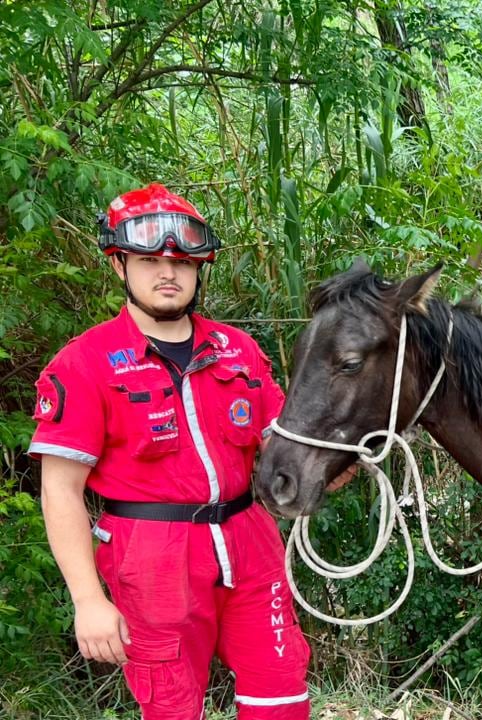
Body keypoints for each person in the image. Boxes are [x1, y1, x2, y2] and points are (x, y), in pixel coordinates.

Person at [29, 184, 310, 718]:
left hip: (251, 547)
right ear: (120, 266)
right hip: (152, 559)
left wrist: (346, 450)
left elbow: (280, 444)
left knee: (281, 698)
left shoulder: (236, 349)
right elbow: (59, 491)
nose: (168, 273)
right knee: (172, 708)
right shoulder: (85, 363)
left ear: (199, 269)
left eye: (182, 263)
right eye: (150, 260)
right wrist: (88, 601)